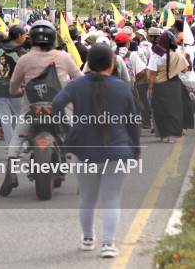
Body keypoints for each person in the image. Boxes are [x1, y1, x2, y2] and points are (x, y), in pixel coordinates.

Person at [52, 44, 140, 259]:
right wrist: (136, 148)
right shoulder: (121, 87)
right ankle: (108, 244)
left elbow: (56, 104)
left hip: (84, 149)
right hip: (118, 149)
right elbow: (132, 121)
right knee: (112, 199)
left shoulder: (77, 85)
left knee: (88, 198)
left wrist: (70, 130)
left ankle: (88, 238)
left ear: (88, 64)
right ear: (112, 64)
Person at [1, 21, 82, 196]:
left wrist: (18, 91)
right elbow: (80, 78)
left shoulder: (25, 59)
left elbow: (13, 87)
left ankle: (10, 173)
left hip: (31, 108)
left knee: (17, 137)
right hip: (62, 108)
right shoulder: (63, 57)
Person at [0, 25, 29, 163]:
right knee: (18, 119)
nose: (25, 37)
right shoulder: (22, 52)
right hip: (16, 89)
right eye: (24, 35)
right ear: (18, 36)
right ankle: (19, 147)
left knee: (5, 120)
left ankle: (9, 149)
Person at [147, 31, 189, 143]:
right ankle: (172, 135)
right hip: (174, 84)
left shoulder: (156, 55)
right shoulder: (177, 54)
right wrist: (183, 57)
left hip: (159, 84)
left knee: (160, 109)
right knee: (174, 109)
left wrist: (150, 88)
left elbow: (152, 73)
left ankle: (163, 134)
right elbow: (184, 70)